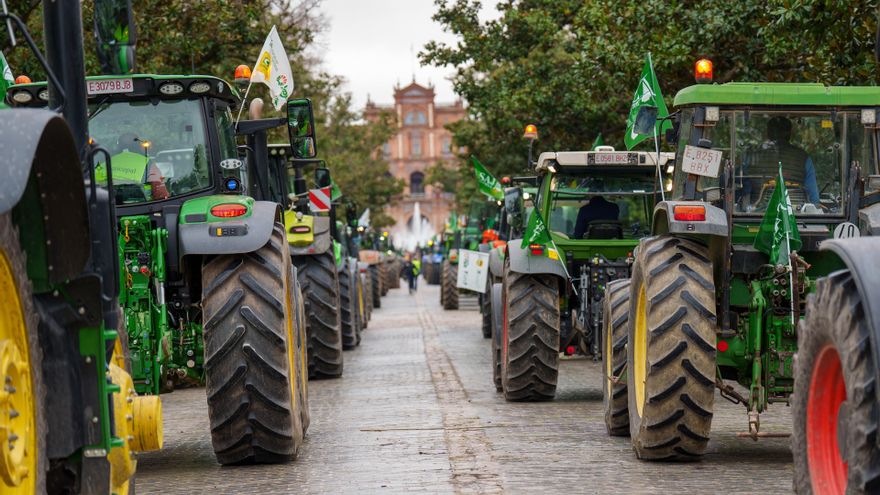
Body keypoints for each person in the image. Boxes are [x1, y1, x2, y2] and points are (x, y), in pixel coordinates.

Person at [741, 116, 820, 207]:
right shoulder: (804, 158)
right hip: (796, 216)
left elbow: (744, 190)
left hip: (757, 215)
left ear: (768, 133)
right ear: (790, 134)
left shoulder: (752, 156)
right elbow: (814, 198)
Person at [96, 132, 168, 201]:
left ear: (118, 146)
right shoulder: (147, 163)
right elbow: (160, 193)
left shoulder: (103, 163)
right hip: (141, 208)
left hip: (106, 208)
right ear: (138, 146)